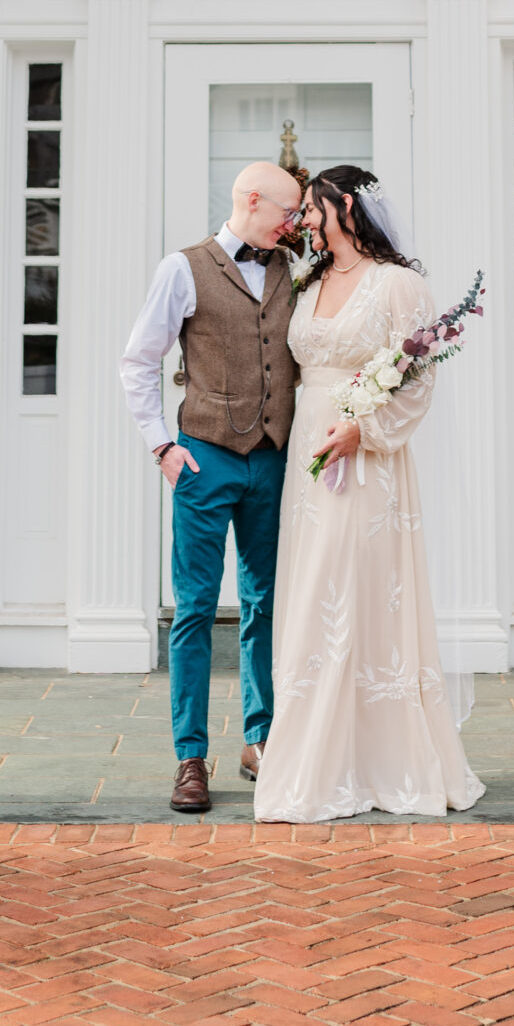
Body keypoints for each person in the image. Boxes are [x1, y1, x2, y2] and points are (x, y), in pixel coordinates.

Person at [253, 163, 485, 822]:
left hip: (367, 458)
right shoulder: (310, 279)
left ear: (344, 206)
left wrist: (364, 429)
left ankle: (380, 761)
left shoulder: (398, 285)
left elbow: (416, 380)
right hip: (308, 446)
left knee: (354, 589)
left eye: (313, 208)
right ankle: (314, 758)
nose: (305, 220)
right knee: (311, 594)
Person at [119, 158, 302, 813]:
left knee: (263, 604)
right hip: (203, 458)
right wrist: (160, 445)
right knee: (194, 608)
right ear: (251, 201)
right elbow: (139, 359)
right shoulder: (183, 268)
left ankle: (260, 739)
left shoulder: (291, 272)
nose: (294, 223)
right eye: (287, 211)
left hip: (272, 460)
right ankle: (189, 756)